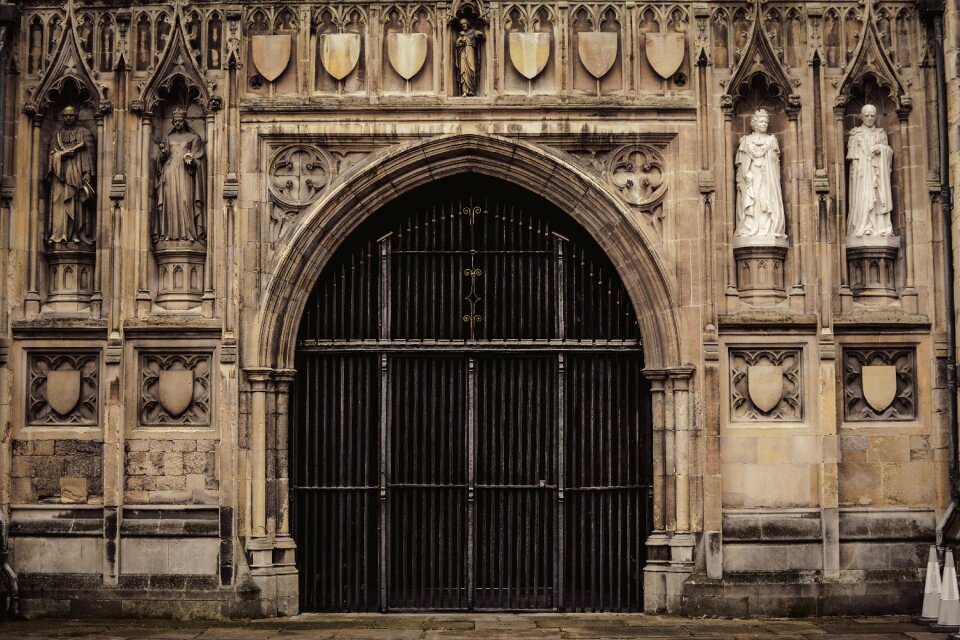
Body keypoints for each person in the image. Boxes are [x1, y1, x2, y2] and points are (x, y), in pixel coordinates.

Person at [155, 107, 206, 244]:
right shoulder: (168, 138)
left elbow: (198, 157)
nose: (177, 123)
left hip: (185, 173)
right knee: (170, 202)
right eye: (175, 121)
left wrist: (191, 160)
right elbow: (161, 159)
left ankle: (189, 234)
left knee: (185, 200)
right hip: (170, 172)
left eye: (180, 121)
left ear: (184, 121)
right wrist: (163, 154)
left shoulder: (194, 138)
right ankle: (169, 234)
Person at [734, 109, 787, 240]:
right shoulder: (746, 141)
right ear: (755, 123)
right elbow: (741, 163)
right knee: (754, 200)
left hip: (767, 177)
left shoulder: (772, 140)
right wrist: (747, 173)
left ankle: (768, 229)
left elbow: (776, 163)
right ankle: (750, 228)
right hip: (752, 177)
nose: (764, 124)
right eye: (761, 121)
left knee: (767, 199)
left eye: (766, 122)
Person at [47, 106, 95, 244]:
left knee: (77, 203)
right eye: (65, 116)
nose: (68, 118)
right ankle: (58, 234)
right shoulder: (57, 136)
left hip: (77, 174)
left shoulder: (84, 133)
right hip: (60, 176)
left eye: (71, 115)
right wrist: (62, 155)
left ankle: (76, 233)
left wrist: (87, 174)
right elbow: (51, 157)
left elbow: (89, 156)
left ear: (76, 116)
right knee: (59, 203)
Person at [846, 104, 894, 238]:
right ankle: (864, 225)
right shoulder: (855, 134)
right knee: (863, 197)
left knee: (878, 197)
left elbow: (889, 153)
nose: (869, 118)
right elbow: (853, 159)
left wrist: (881, 149)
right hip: (862, 174)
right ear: (861, 116)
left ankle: (879, 226)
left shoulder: (881, 134)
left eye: (872, 116)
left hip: (877, 173)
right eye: (866, 116)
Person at [455, 18, 483, 97]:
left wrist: (477, 33)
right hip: (463, 52)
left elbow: (481, 35)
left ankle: (472, 90)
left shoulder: (472, 31)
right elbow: (457, 45)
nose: (463, 25)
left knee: (472, 69)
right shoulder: (461, 34)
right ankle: (465, 91)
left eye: (464, 23)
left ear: (467, 23)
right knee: (463, 70)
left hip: (470, 51)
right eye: (461, 24)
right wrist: (461, 42)